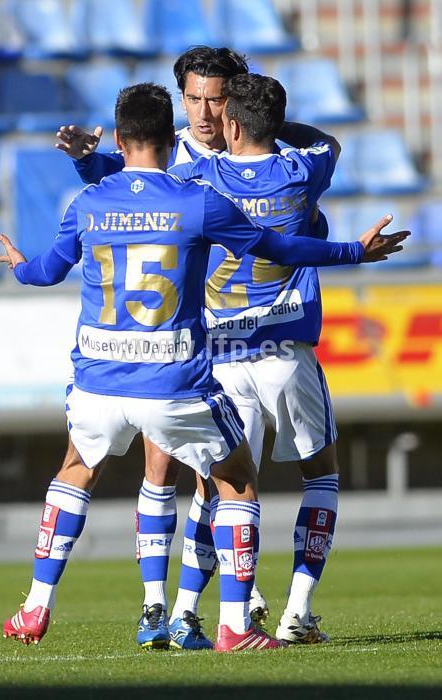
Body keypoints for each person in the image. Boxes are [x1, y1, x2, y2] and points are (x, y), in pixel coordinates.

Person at [0, 83, 406, 653]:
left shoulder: (89, 203)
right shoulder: (197, 201)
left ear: (119, 139)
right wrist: (353, 252)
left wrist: (18, 266)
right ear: (174, 140)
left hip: (97, 379)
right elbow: (278, 248)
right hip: (172, 378)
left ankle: (34, 608)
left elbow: (44, 272)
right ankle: (235, 624)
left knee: (74, 471)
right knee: (235, 479)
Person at [56, 46, 332, 649]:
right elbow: (115, 180)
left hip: (226, 348)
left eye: (216, 98)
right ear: (181, 98)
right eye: (194, 98)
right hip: (180, 343)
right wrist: (84, 161)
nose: (205, 111)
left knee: (218, 480)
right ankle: (158, 605)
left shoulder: (266, 155)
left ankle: (207, 605)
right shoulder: (174, 154)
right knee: (164, 469)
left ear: (235, 102)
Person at [169, 72, 347, 643]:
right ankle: (297, 611)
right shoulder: (303, 171)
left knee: (220, 487)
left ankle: (190, 610)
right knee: (320, 473)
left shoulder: (198, 176)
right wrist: (274, 126)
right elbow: (330, 144)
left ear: (231, 122)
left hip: (221, 357)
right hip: (286, 352)